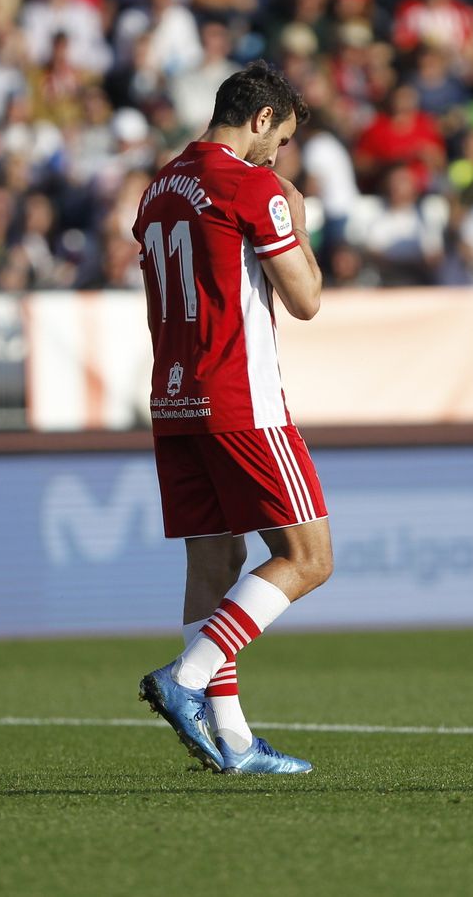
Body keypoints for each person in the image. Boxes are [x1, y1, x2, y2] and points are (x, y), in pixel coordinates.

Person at [134, 61, 332, 776]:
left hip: (174, 399)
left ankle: (236, 741)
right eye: (277, 140)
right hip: (241, 397)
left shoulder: (158, 187)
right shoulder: (252, 186)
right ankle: (185, 679)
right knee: (310, 557)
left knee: (215, 562)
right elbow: (306, 299)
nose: (276, 157)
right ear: (259, 118)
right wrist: (298, 220)